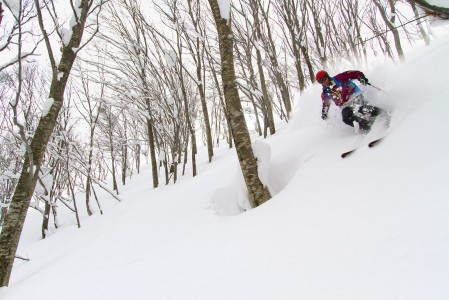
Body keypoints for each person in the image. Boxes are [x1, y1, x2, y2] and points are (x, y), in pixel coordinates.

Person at [316, 69, 385, 133]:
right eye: (320, 81)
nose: (323, 82)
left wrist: (361, 77)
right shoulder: (325, 92)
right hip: (345, 105)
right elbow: (325, 104)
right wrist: (324, 113)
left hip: (354, 96)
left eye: (324, 79)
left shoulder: (339, 78)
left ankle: (382, 113)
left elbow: (354, 73)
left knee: (359, 108)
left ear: (327, 76)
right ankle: (368, 127)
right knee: (346, 118)